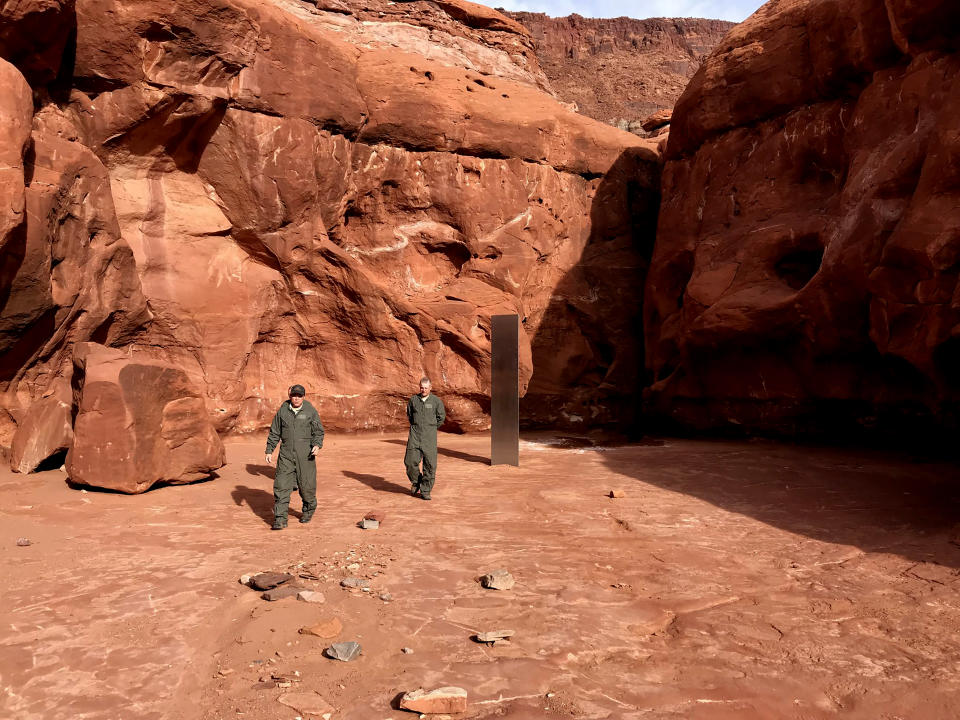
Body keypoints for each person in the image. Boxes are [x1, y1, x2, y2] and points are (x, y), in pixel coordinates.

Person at [265, 384, 324, 530]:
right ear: (290, 396)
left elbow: (318, 431)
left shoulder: (310, 411)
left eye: (299, 396)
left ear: (303, 397)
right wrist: (269, 450)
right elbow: (274, 432)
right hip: (285, 454)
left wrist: (317, 445)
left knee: (307, 486)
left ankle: (308, 510)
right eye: (294, 396)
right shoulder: (282, 411)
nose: (296, 399)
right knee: (281, 486)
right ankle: (280, 519)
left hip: (306, 455)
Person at [404, 376, 446, 500]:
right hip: (415, 435)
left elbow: (441, 417)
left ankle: (425, 490)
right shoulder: (413, 400)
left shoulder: (436, 401)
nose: (423, 390)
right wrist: (417, 427)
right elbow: (410, 415)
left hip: (429, 437)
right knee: (409, 462)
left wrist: (431, 428)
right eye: (421, 388)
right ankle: (416, 482)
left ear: (430, 388)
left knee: (430, 465)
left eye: (426, 388)